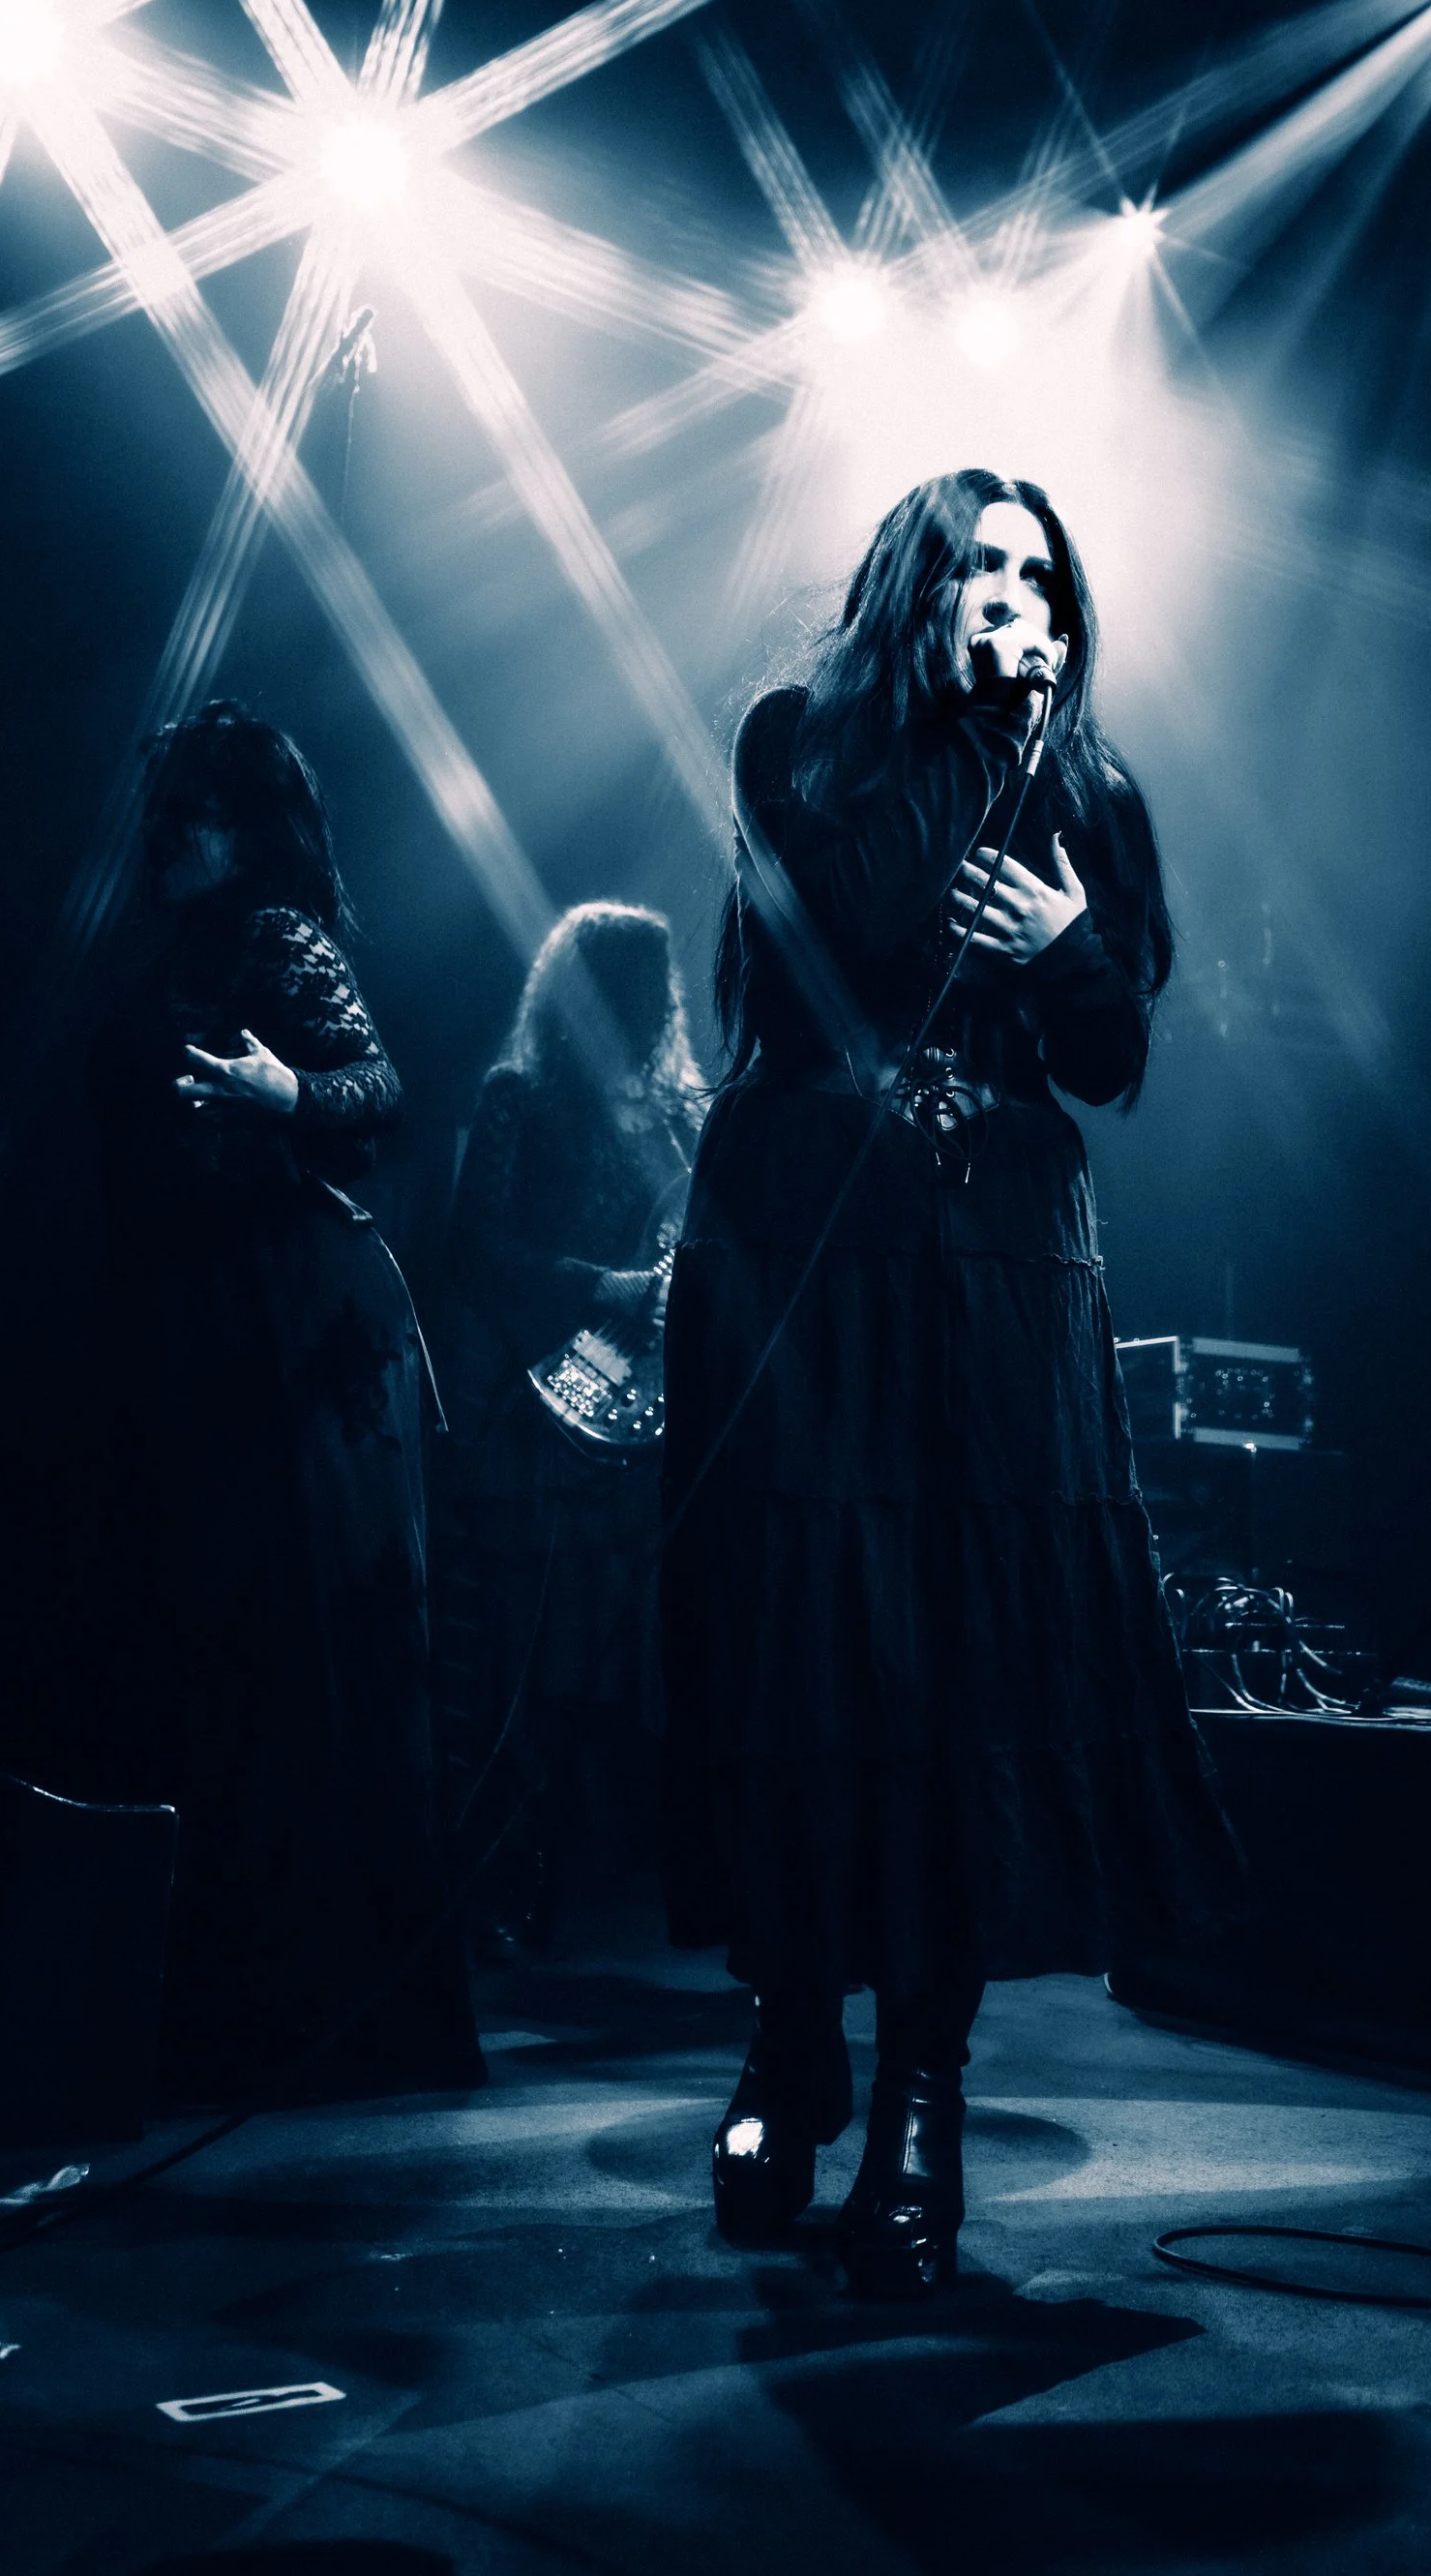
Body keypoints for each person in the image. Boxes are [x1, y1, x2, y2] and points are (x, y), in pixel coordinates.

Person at [660, 468, 1239, 2293]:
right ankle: (791, 2030)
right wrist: (979, 753)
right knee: (806, 1649)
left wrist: (1070, 949)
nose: (1013, 599)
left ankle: (924, 2090)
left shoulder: (1093, 789)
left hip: (995, 1264)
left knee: (959, 1672)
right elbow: (841, 940)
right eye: (979, 568)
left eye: (1038, 576)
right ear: (911, 586)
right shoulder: (797, 744)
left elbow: (1115, 1051)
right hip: (804, 1233)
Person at [88, 702, 480, 2106]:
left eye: (190, 809)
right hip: (209, 1324)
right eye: (161, 808)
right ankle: (247, 2006)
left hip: (299, 1326)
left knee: (312, 1654)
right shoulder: (168, 948)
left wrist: (285, 1088)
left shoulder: (270, 933)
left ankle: (343, 2014)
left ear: (242, 823)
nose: (163, 832)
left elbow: (379, 1086)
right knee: (236, 1656)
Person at [432, 905, 703, 1944]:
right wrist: (608, 1288)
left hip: (643, 1420)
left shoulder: (677, 1114)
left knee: (628, 1658)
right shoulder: (520, 1094)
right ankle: (504, 1885)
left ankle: (605, 1887)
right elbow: (473, 1250)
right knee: (524, 1655)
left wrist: (679, 1295)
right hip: (531, 1404)